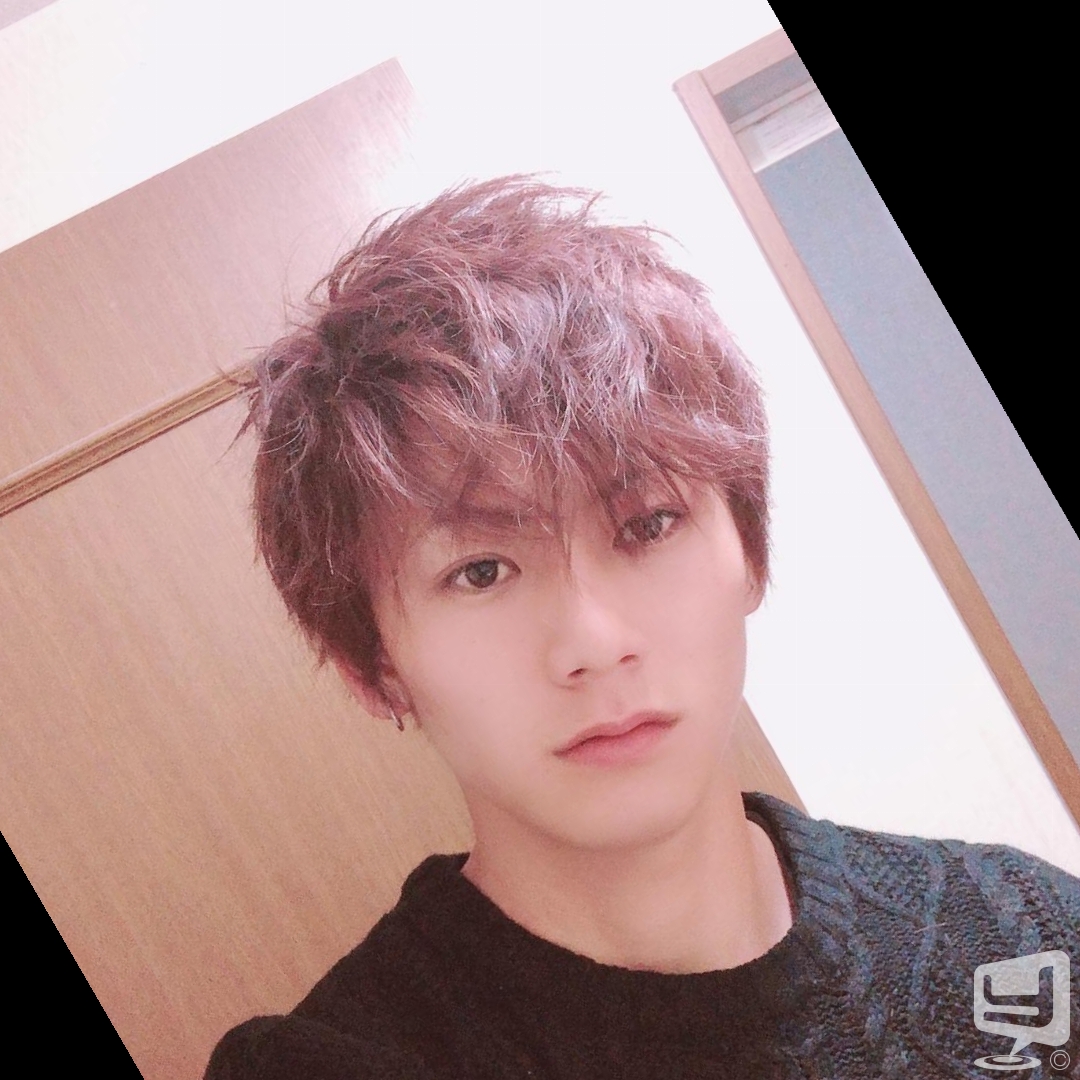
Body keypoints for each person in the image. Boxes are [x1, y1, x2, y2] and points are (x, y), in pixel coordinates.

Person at [205, 177, 1080, 1079]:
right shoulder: (334, 1063)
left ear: (750, 548)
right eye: (480, 571)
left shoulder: (1022, 934)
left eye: (649, 524)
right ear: (374, 667)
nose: (594, 642)